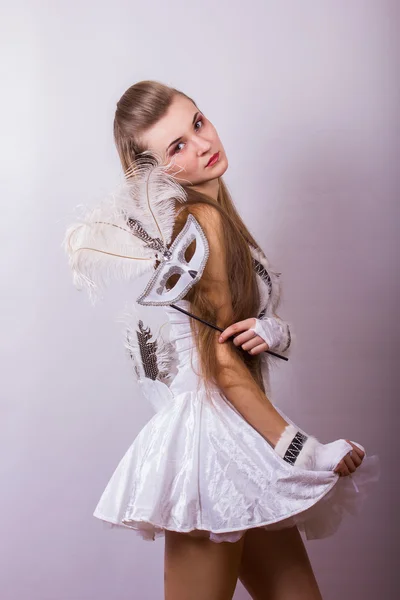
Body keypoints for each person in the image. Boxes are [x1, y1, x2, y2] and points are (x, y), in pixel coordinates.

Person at [88, 81, 380, 599]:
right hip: (211, 452)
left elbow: (234, 331)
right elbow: (220, 368)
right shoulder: (202, 222)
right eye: (176, 146)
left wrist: (273, 330)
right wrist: (304, 451)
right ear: (156, 176)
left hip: (239, 442)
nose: (202, 144)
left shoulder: (218, 218)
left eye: (197, 123)